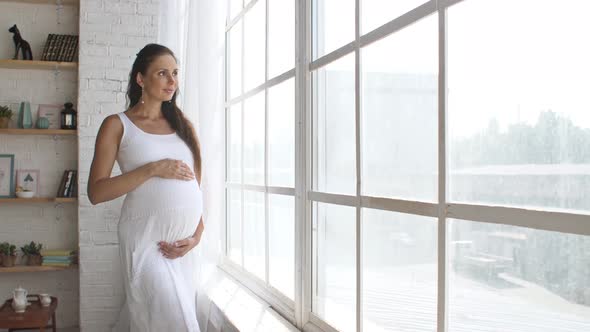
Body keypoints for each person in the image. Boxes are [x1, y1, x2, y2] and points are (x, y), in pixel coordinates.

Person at [87, 43, 203, 332]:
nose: (172, 81)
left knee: (157, 324)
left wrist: (197, 236)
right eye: (162, 73)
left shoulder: (183, 125)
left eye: (175, 73)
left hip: (182, 249)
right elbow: (96, 192)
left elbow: (197, 188)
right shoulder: (117, 125)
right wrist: (153, 168)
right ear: (140, 79)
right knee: (180, 325)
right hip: (145, 242)